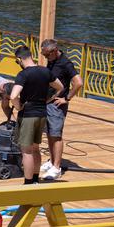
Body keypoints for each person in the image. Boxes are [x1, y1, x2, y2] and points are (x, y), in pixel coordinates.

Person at [9, 45, 64, 185]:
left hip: (28, 115)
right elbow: (60, 87)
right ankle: (35, 179)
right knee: (35, 148)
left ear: (19, 59)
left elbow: (13, 95)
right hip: (42, 113)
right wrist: (49, 99)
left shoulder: (23, 74)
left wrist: (18, 106)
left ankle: (27, 183)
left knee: (26, 151)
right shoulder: (45, 71)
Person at [39, 39, 83, 180]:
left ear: (54, 51)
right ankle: (52, 161)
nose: (46, 57)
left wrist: (67, 98)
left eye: (47, 55)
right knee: (49, 133)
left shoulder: (65, 63)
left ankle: (57, 168)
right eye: (44, 55)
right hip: (48, 102)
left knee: (56, 135)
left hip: (57, 105)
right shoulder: (52, 61)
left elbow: (78, 82)